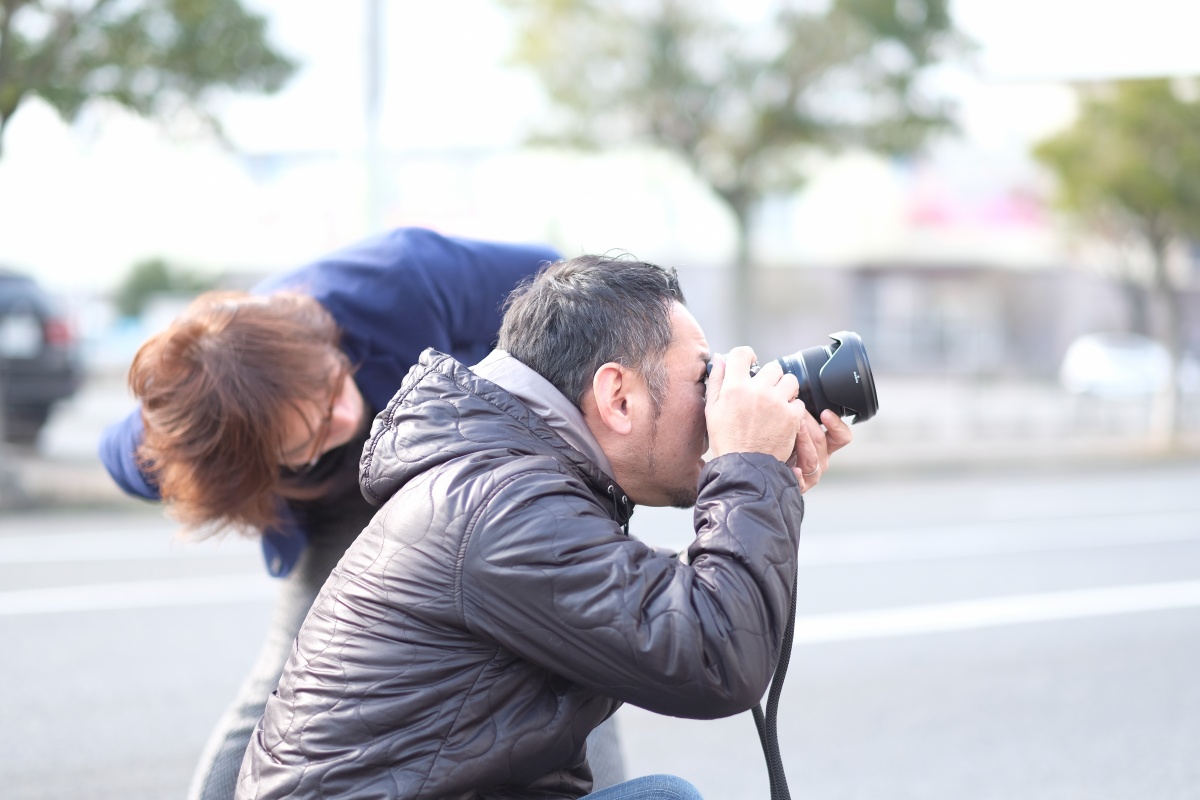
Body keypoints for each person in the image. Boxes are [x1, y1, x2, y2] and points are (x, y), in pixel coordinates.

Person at [236, 253, 853, 800]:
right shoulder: (499, 506)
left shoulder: (510, 479)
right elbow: (716, 659)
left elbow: (684, 619)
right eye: (703, 376)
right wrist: (747, 467)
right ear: (617, 397)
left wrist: (767, 481)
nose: (720, 394)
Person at [97, 228, 627, 800]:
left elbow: (576, 291)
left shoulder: (400, 279)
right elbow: (123, 456)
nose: (343, 418)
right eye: (311, 436)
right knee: (290, 679)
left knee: (563, 646)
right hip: (341, 507)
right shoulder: (174, 441)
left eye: (332, 388)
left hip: (463, 480)